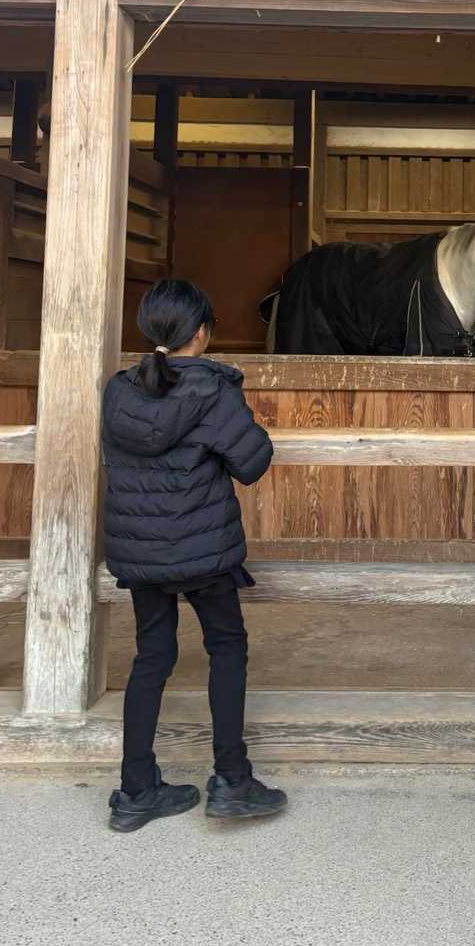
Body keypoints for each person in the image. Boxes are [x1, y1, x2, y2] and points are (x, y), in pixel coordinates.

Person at [102, 278, 287, 833]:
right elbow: (252, 463)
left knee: (151, 658)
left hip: (141, 553)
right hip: (204, 551)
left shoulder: (119, 391)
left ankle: (136, 791)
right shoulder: (212, 390)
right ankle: (232, 780)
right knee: (226, 647)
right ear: (202, 332)